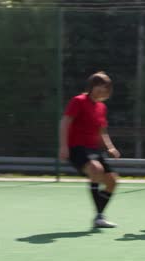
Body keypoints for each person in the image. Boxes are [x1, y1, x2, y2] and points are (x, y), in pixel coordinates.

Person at [59, 71, 120, 228]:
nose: (103, 91)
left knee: (112, 181)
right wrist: (63, 146)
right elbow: (65, 123)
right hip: (76, 149)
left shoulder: (101, 107)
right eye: (100, 87)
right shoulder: (78, 101)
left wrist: (111, 148)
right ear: (92, 86)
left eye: (106, 88)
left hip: (94, 150)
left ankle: (99, 216)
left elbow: (102, 132)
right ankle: (99, 216)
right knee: (96, 169)